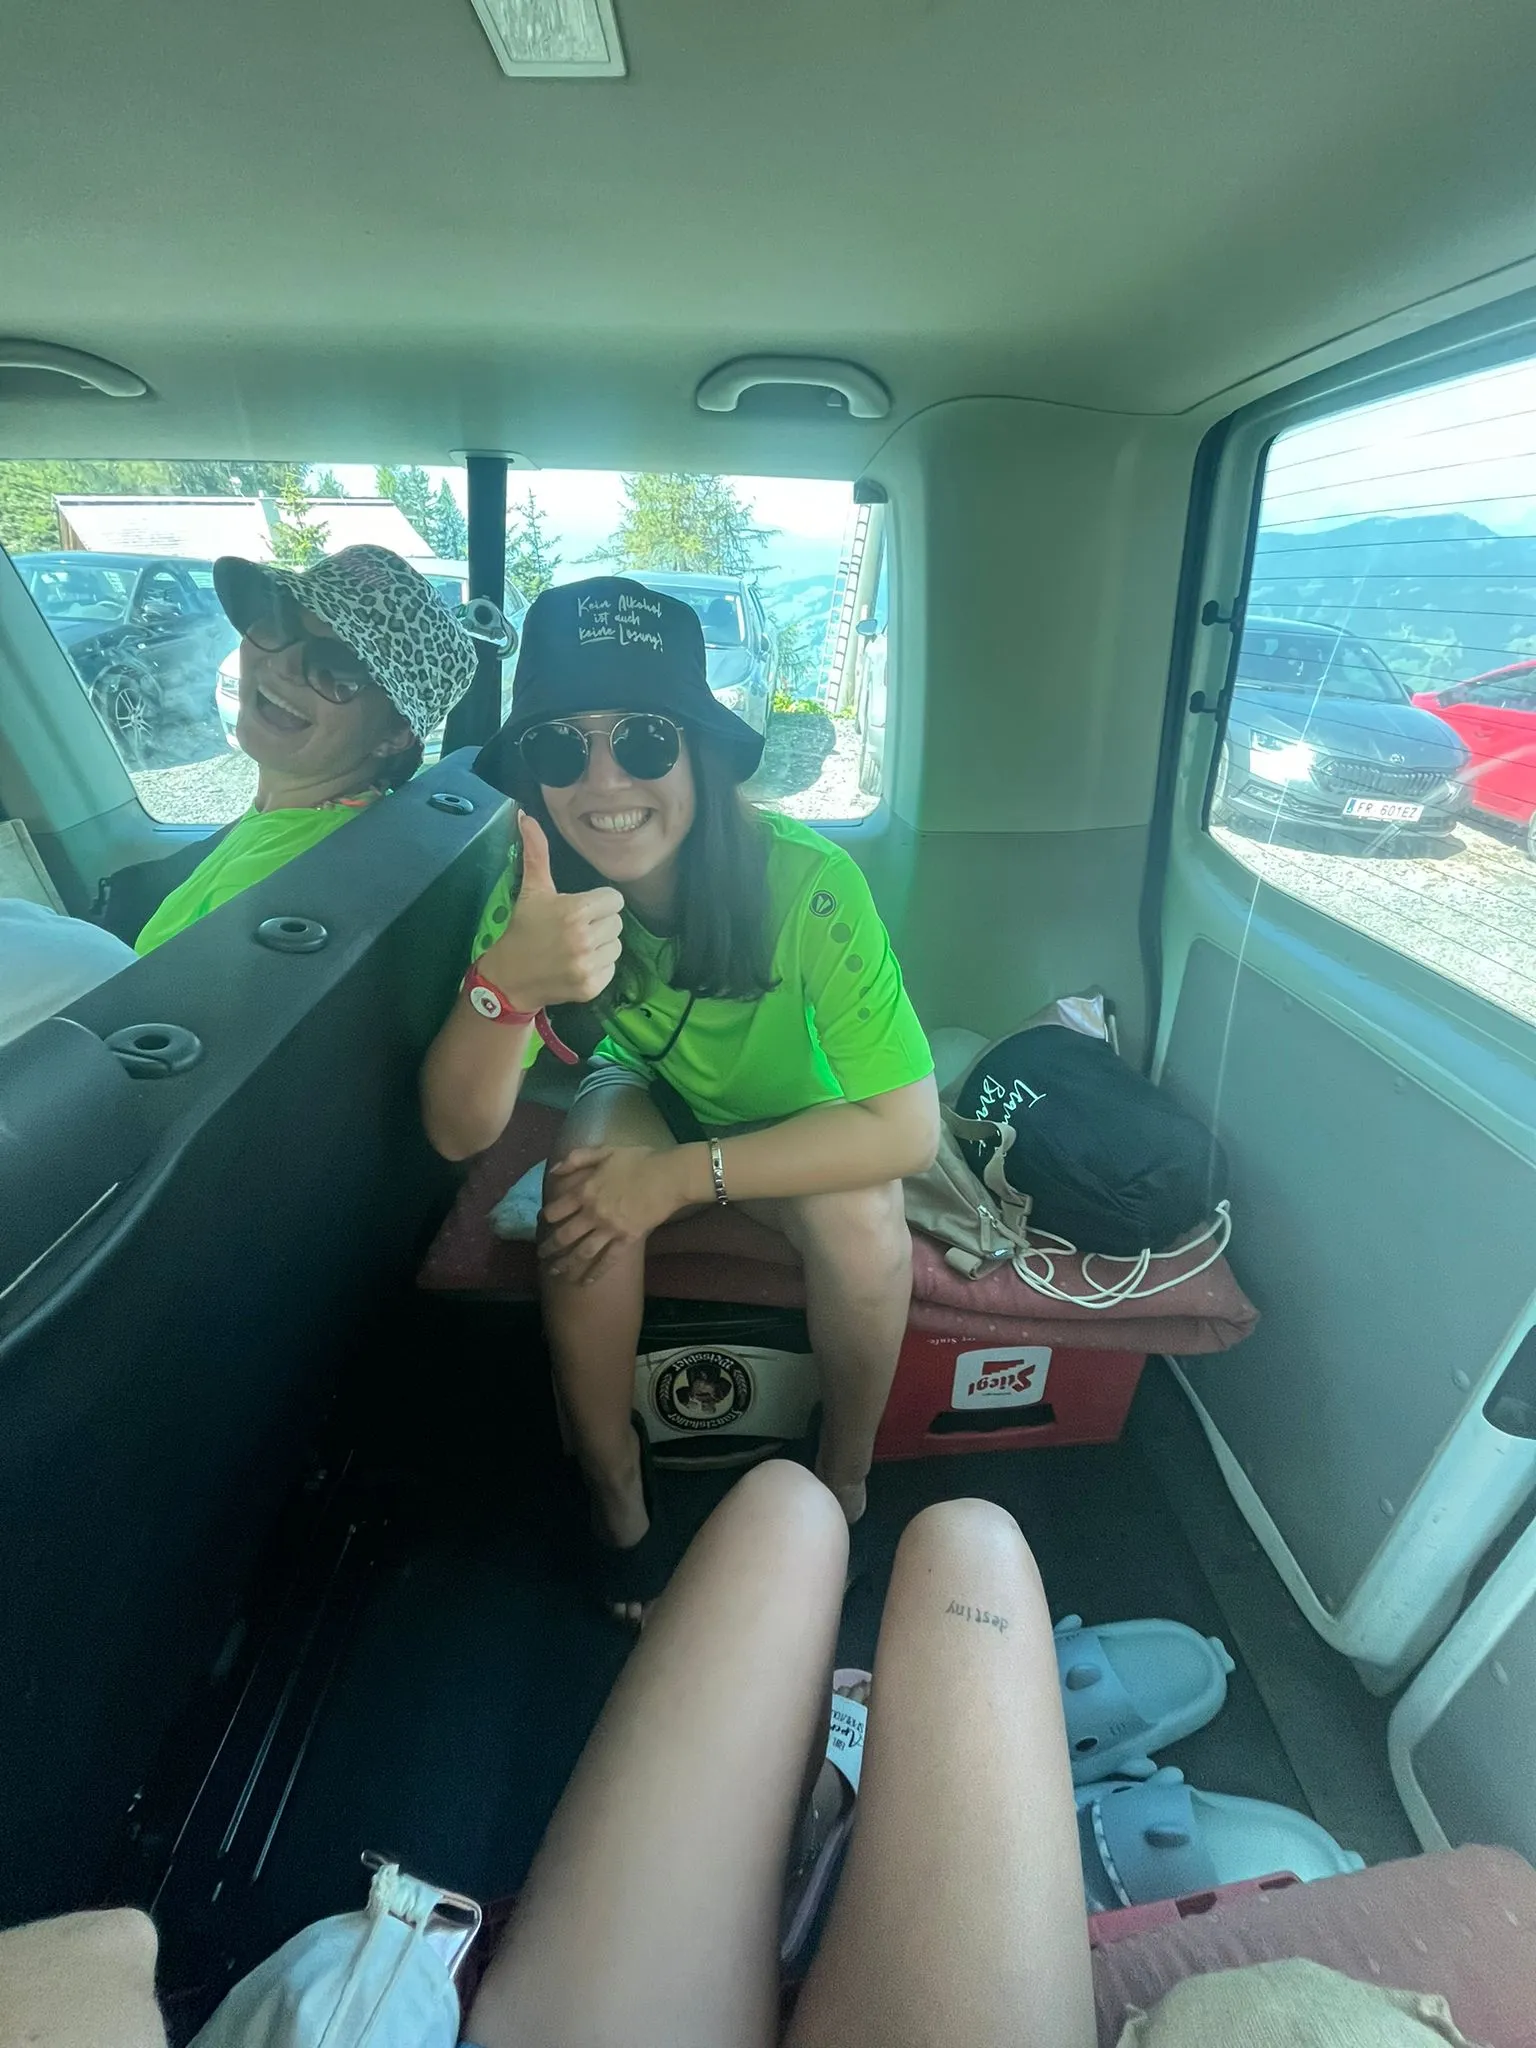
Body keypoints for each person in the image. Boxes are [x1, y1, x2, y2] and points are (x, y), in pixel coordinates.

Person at [420, 576, 940, 1621]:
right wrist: (505, 986)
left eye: (645, 737)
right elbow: (458, 1130)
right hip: (653, 1084)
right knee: (581, 1196)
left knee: (862, 1218)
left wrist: (679, 1179)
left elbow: (905, 1129)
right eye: (561, 747)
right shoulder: (536, 900)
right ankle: (616, 1494)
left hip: (804, 1116)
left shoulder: (808, 884)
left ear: (700, 750)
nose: (605, 779)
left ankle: (844, 1480)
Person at [133, 545, 489, 955]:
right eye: (279, 626)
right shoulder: (314, 825)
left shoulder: (274, 887)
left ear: (394, 735)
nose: (283, 666)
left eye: (337, 666)